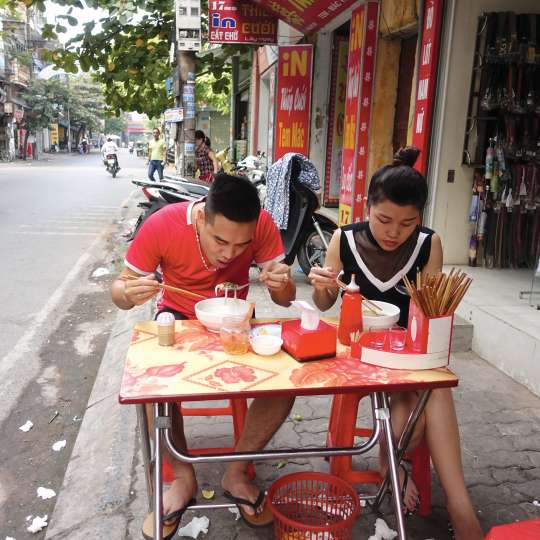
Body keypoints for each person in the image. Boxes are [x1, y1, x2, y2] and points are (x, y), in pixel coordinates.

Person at [308, 147, 483, 540]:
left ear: (419, 219)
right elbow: (325, 302)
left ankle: (457, 503)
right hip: (356, 350)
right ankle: (394, 464)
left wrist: (431, 320)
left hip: (408, 351)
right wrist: (321, 287)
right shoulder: (344, 239)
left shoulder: (427, 245)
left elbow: (429, 309)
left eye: (407, 223)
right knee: (410, 413)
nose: (393, 232)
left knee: (433, 392)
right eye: (384, 219)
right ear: (367, 206)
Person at [111, 173, 296, 538]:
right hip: (178, 318)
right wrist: (129, 293)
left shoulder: (261, 225)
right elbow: (119, 289)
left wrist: (283, 285)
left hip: (236, 318)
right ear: (201, 218)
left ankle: (235, 473)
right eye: (220, 240)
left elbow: (285, 298)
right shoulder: (163, 224)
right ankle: (182, 478)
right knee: (150, 389)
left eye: (241, 245)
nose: (230, 253)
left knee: (287, 382)